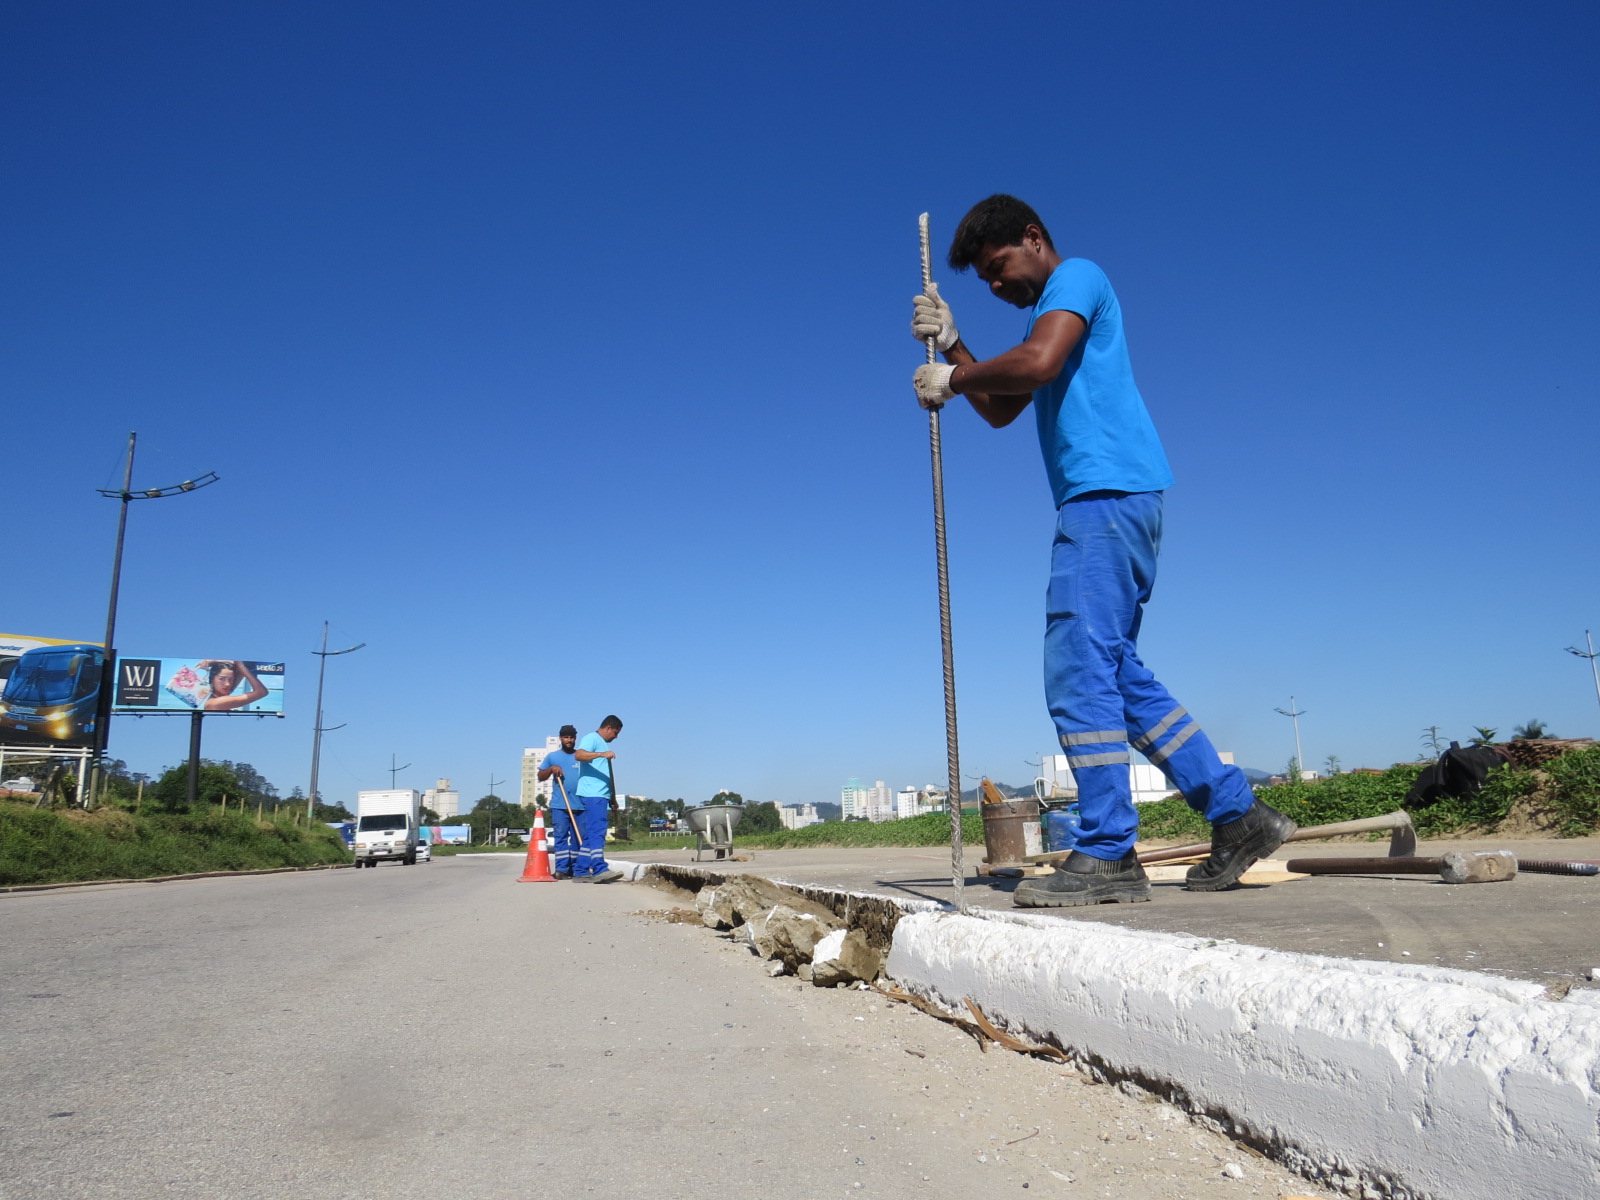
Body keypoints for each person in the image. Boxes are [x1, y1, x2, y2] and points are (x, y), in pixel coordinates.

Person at [910, 194, 1295, 907]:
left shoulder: (1076, 278)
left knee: (1078, 665)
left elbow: (1039, 363)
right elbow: (1002, 408)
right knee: (1116, 674)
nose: (997, 287)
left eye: (999, 269)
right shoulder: (1040, 320)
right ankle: (1241, 817)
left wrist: (953, 375)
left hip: (1104, 501)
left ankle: (1109, 850)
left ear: (1034, 238)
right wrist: (959, 346)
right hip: (1118, 502)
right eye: (984, 283)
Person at [572, 716, 624, 883]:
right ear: (608, 728)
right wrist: (601, 754)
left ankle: (580, 870)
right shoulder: (592, 739)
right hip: (592, 794)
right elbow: (579, 755)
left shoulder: (602, 744)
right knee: (597, 832)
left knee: (590, 835)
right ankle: (599, 868)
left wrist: (611, 798)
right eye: (616, 732)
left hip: (600, 795)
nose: (616, 737)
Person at [537, 725, 582, 878]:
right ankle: (562, 869)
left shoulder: (581, 756)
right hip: (560, 804)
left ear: (575, 738)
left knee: (578, 837)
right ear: (560, 738)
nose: (569, 740)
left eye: (572, 737)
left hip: (580, 804)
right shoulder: (552, 757)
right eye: (566, 737)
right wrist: (551, 769)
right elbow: (540, 776)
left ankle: (576, 868)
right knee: (561, 836)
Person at [199, 660, 269, 712]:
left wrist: (215, 661)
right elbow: (262, 692)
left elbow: (242, 665)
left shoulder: (219, 696)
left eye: (231, 679)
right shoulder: (215, 703)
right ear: (212, 680)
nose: (227, 684)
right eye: (222, 679)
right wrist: (240, 666)